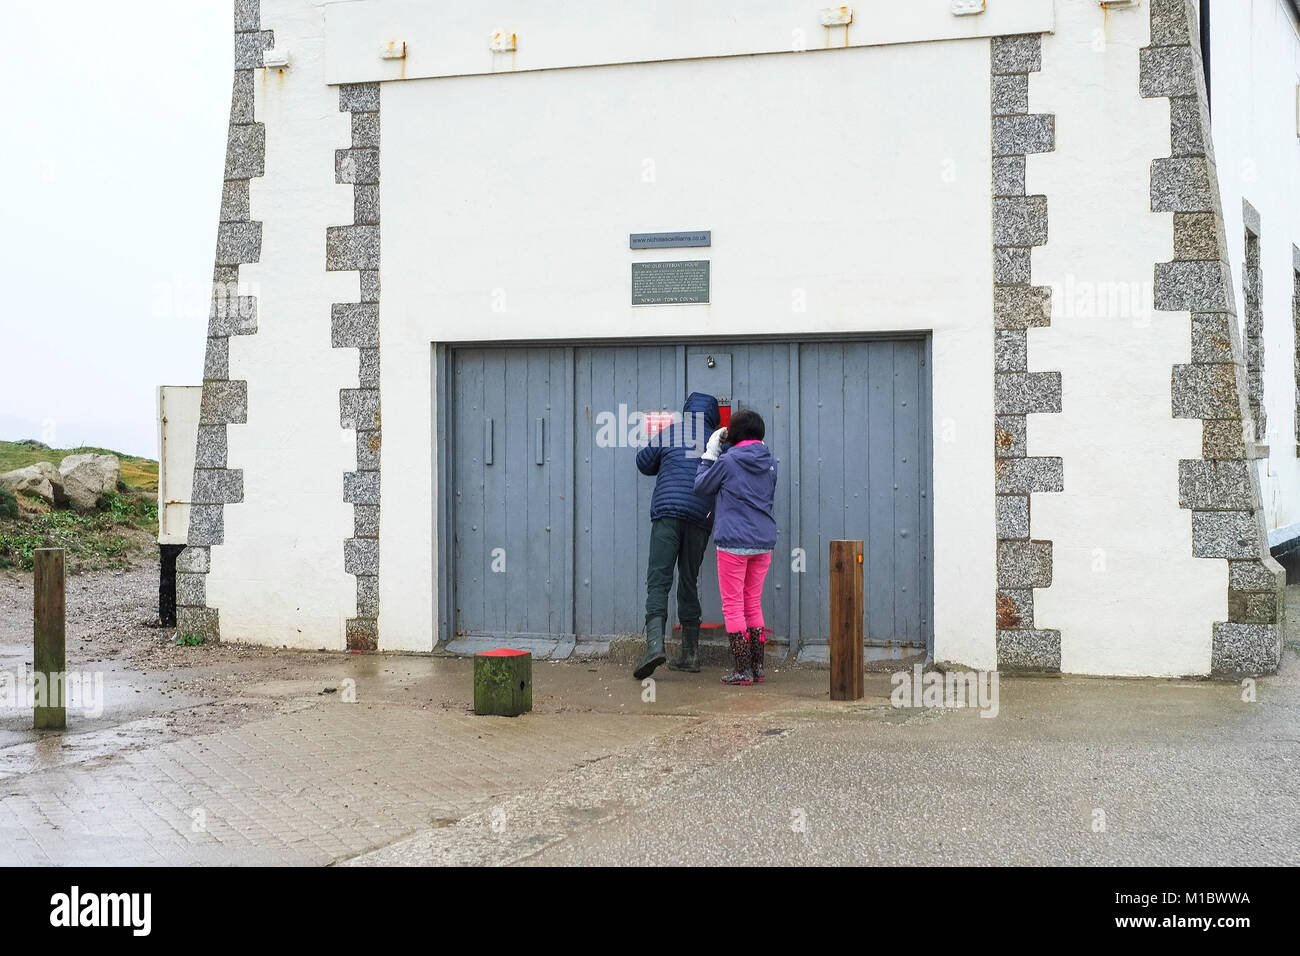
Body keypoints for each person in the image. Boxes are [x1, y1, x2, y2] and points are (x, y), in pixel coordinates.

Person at [633, 392, 721, 679]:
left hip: (667, 512)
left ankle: (654, 648)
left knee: (659, 580)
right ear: (713, 415)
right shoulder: (718, 439)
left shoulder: (670, 432)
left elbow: (644, 462)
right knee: (688, 580)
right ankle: (690, 654)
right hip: (700, 516)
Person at [693, 410, 778, 686]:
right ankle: (758, 668)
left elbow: (702, 486)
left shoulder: (728, 461)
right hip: (763, 541)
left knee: (733, 606)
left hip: (733, 541)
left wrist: (711, 452)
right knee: (753, 603)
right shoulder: (770, 463)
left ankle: (742, 670)